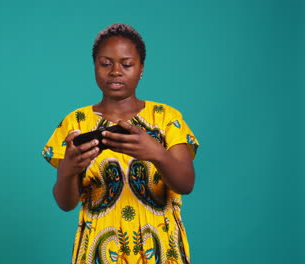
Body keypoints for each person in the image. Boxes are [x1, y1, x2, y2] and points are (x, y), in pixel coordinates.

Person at [42, 23, 199, 264]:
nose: (116, 71)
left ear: (141, 69)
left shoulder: (167, 118)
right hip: (99, 251)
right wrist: (68, 171)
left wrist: (156, 153)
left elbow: (186, 183)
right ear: (94, 67)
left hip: (160, 250)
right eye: (106, 64)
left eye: (126, 64)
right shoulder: (75, 123)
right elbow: (66, 204)